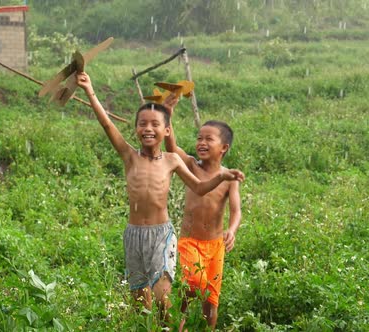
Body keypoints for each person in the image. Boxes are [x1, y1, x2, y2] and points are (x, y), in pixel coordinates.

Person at [75, 72, 244, 321]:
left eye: (155, 124)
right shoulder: (129, 155)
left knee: (163, 298)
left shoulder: (172, 160)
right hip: (134, 234)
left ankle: (171, 327)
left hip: (161, 235)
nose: (148, 129)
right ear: (135, 130)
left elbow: (198, 187)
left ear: (167, 130)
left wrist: (222, 177)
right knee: (139, 302)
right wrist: (90, 90)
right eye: (142, 124)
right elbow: (107, 124)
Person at [163, 95, 242, 329]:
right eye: (199, 138)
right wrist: (168, 114)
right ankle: (180, 324)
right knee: (195, 283)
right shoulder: (190, 165)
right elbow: (171, 148)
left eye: (209, 139)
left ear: (224, 148)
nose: (201, 143)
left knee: (211, 299)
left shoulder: (229, 178)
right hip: (190, 242)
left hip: (215, 245)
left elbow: (236, 210)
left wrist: (232, 229)